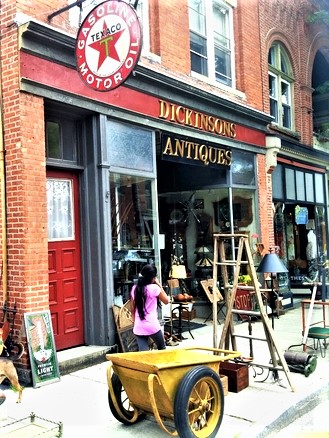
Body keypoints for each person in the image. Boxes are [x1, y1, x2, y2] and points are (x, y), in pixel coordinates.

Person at [130, 264, 169, 351]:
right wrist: (159, 284)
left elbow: (132, 308)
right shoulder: (154, 288)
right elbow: (166, 301)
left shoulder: (134, 288)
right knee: (161, 347)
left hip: (139, 325)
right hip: (152, 325)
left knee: (143, 353)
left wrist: (134, 321)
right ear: (153, 277)